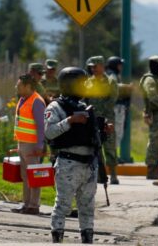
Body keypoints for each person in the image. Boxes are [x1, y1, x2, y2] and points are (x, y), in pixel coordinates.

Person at [46, 67, 111, 244]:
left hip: (88, 165)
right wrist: (70, 121)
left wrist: (104, 132)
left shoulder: (85, 107)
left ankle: (87, 238)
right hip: (68, 163)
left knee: (87, 207)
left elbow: (92, 139)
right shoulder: (55, 106)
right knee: (63, 205)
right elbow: (49, 132)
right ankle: (57, 238)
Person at [12, 74, 47, 215]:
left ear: (27, 86)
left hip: (32, 145)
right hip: (23, 143)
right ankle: (26, 204)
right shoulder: (23, 99)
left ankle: (34, 205)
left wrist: (40, 145)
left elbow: (41, 125)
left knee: (34, 175)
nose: (17, 87)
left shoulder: (37, 101)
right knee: (25, 175)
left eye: (19, 85)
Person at [85, 56, 119, 184]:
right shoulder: (88, 82)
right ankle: (100, 175)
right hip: (92, 120)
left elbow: (112, 100)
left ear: (102, 66)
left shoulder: (111, 82)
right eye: (91, 67)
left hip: (107, 119)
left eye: (95, 66)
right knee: (96, 148)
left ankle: (114, 174)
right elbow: (84, 100)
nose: (93, 69)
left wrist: (103, 115)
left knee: (110, 146)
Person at [140, 55, 158, 180]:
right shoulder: (150, 80)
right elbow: (153, 98)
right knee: (155, 142)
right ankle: (151, 169)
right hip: (155, 114)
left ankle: (156, 168)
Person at [106, 56, 131, 162]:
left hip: (117, 107)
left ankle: (114, 155)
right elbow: (113, 86)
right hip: (116, 108)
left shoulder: (114, 75)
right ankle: (113, 157)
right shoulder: (112, 75)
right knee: (116, 132)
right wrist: (126, 87)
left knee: (117, 132)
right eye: (119, 65)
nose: (121, 67)